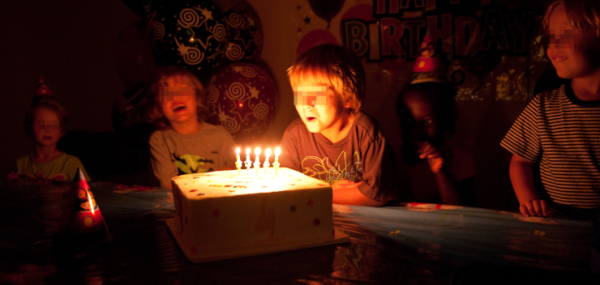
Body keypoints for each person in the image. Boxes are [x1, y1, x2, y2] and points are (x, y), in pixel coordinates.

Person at [501, 0, 600, 218]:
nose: (553, 45)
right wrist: (530, 202)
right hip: (558, 223)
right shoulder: (543, 106)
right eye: (550, 37)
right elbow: (519, 162)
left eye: (566, 33)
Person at [279, 44, 398, 206]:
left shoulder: (365, 132)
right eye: (300, 95)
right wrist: (327, 191)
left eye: (315, 95)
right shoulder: (295, 135)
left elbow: (375, 196)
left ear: (348, 98)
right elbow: (286, 192)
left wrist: (322, 195)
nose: (306, 104)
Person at [147, 67, 236, 189]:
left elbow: (235, 174)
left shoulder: (221, 135)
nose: (176, 99)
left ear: (197, 96)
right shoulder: (160, 140)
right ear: (159, 106)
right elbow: (169, 184)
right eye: (167, 95)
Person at [396, 83, 476, 206]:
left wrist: (440, 172)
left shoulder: (460, 159)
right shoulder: (393, 156)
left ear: (444, 122)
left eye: (427, 121)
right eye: (409, 120)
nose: (417, 129)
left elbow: (461, 214)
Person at [11, 98, 90, 181]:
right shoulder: (20, 164)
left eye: (53, 125)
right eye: (41, 125)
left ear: (62, 131)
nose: (48, 130)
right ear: (29, 128)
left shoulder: (71, 164)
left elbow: (87, 191)